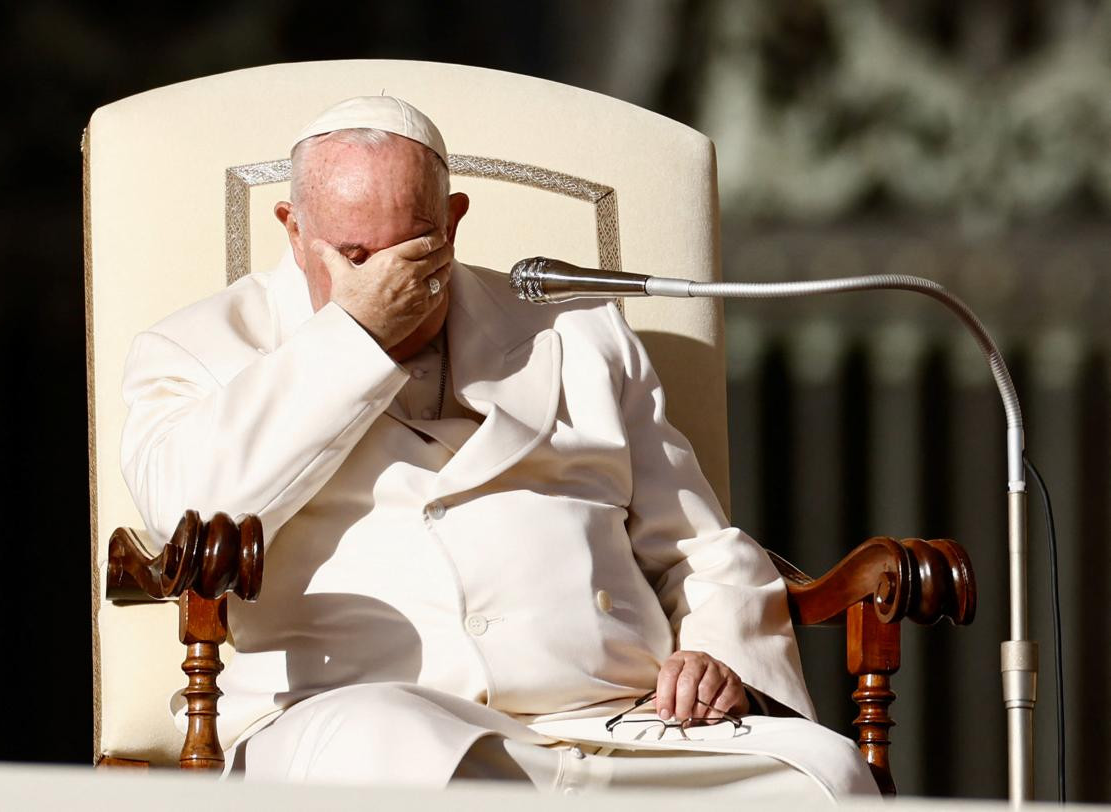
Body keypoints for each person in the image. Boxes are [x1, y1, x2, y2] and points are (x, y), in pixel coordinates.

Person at [120, 96, 878, 800]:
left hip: (613, 723)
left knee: (822, 777)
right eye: (353, 255)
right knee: (397, 755)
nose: (385, 278)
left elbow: (698, 548)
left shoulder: (577, 332)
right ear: (292, 227)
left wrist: (718, 656)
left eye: (411, 248)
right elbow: (183, 515)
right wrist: (352, 340)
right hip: (361, 716)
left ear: (452, 221)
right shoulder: (199, 348)